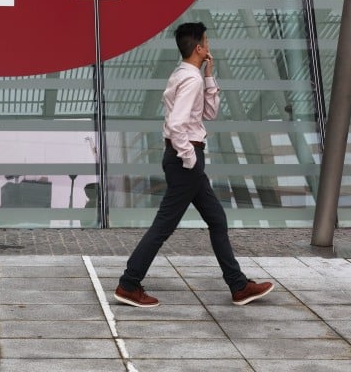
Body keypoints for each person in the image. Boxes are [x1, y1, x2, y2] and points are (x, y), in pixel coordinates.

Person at [114, 22, 273, 307]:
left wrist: (210, 75)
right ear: (199, 48)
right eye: (207, 42)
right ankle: (128, 284)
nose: (209, 46)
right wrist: (190, 158)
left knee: (216, 219)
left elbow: (208, 114)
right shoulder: (191, 80)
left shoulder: (186, 75)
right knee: (164, 225)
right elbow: (177, 124)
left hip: (184, 159)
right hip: (185, 160)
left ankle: (238, 286)